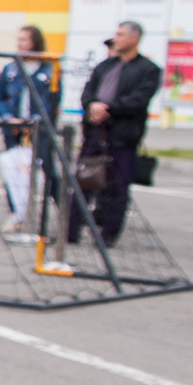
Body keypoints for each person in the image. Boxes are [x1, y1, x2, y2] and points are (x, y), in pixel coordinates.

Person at [68, 19, 161, 246]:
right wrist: (92, 106)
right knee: (83, 181)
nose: (116, 39)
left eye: (120, 34)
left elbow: (138, 100)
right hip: (95, 134)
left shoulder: (148, 70)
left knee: (118, 188)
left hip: (122, 137)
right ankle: (69, 232)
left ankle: (108, 235)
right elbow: (88, 92)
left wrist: (108, 109)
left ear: (134, 38)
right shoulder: (105, 66)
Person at [0, 26, 54, 231]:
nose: (20, 44)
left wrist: (35, 120)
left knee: (46, 171)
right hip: (14, 130)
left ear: (35, 42)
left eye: (25, 40)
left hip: (39, 130)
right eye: (18, 39)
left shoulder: (49, 69)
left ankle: (52, 214)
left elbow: (52, 101)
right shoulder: (11, 68)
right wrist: (8, 117)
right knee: (12, 170)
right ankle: (16, 214)